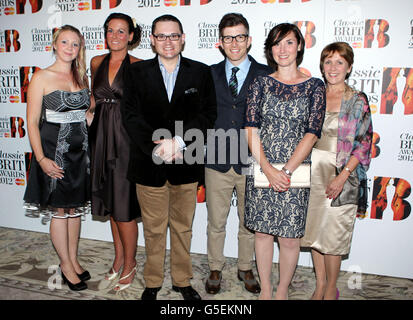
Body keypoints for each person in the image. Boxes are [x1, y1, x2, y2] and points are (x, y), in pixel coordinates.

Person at [121, 14, 217, 300]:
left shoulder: (201, 72)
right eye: (161, 36)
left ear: (183, 38)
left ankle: (182, 280)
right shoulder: (135, 73)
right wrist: (157, 146)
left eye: (173, 35)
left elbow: (208, 115)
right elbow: (130, 115)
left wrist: (178, 141)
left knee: (182, 228)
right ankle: (152, 282)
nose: (168, 41)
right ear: (152, 40)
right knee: (152, 230)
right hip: (148, 162)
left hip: (187, 163)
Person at [244, 23, 326, 300]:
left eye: (289, 42)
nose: (283, 49)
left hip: (296, 171)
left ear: (300, 46)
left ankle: (282, 291)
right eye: (277, 43)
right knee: (263, 234)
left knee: (290, 238)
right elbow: (251, 129)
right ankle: (266, 289)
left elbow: (312, 132)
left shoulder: (315, 86)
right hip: (262, 167)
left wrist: (286, 171)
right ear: (270, 49)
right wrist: (268, 169)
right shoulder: (260, 83)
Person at [204, 13, 272, 295]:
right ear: (220, 42)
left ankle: (246, 267)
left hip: (253, 160)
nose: (234, 43)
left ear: (249, 40)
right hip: (216, 159)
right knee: (215, 222)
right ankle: (215, 268)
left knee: (250, 222)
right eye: (228, 37)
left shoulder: (267, 74)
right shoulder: (208, 74)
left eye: (240, 36)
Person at [301, 42, 373, 300]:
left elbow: (364, 144)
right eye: (328, 61)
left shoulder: (357, 100)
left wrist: (342, 177)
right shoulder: (314, 95)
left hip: (342, 174)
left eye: (339, 62)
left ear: (349, 67)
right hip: (312, 173)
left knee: (333, 237)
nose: (333, 67)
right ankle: (320, 285)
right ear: (322, 65)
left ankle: (331, 289)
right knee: (315, 234)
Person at [23, 25, 90, 291]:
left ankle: (73, 260)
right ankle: (64, 265)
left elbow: (86, 112)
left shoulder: (82, 76)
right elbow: (31, 121)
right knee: (61, 211)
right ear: (54, 44)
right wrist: (40, 159)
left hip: (79, 156)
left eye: (75, 44)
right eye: (65, 42)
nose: (70, 48)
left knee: (74, 210)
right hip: (54, 154)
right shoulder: (41, 77)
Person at [87, 13, 142, 292]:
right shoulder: (96, 62)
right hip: (99, 138)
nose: (116, 36)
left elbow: (144, 110)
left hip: (125, 141)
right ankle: (119, 257)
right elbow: (93, 101)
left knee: (124, 208)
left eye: (122, 31)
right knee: (110, 204)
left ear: (131, 36)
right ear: (105, 34)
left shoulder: (140, 66)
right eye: (111, 30)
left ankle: (131, 263)